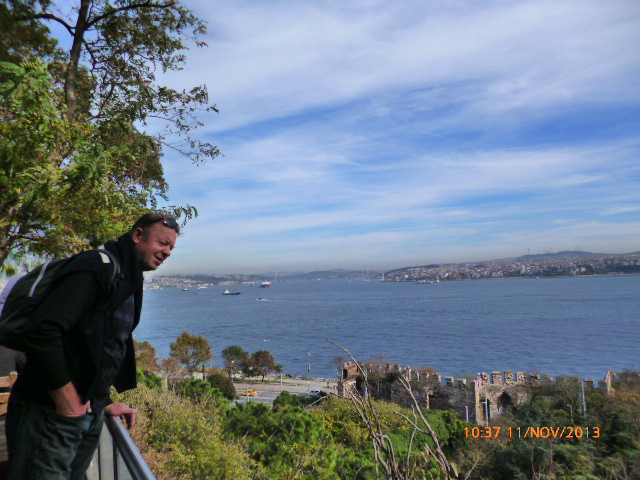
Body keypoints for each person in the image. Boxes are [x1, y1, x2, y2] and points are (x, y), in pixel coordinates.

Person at [5, 212, 179, 480]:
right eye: (161, 242)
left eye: (171, 247)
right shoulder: (97, 266)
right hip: (48, 412)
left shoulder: (128, 279)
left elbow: (95, 346)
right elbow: (43, 330)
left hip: (86, 412)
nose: (166, 252)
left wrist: (102, 401)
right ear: (137, 235)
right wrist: (67, 400)